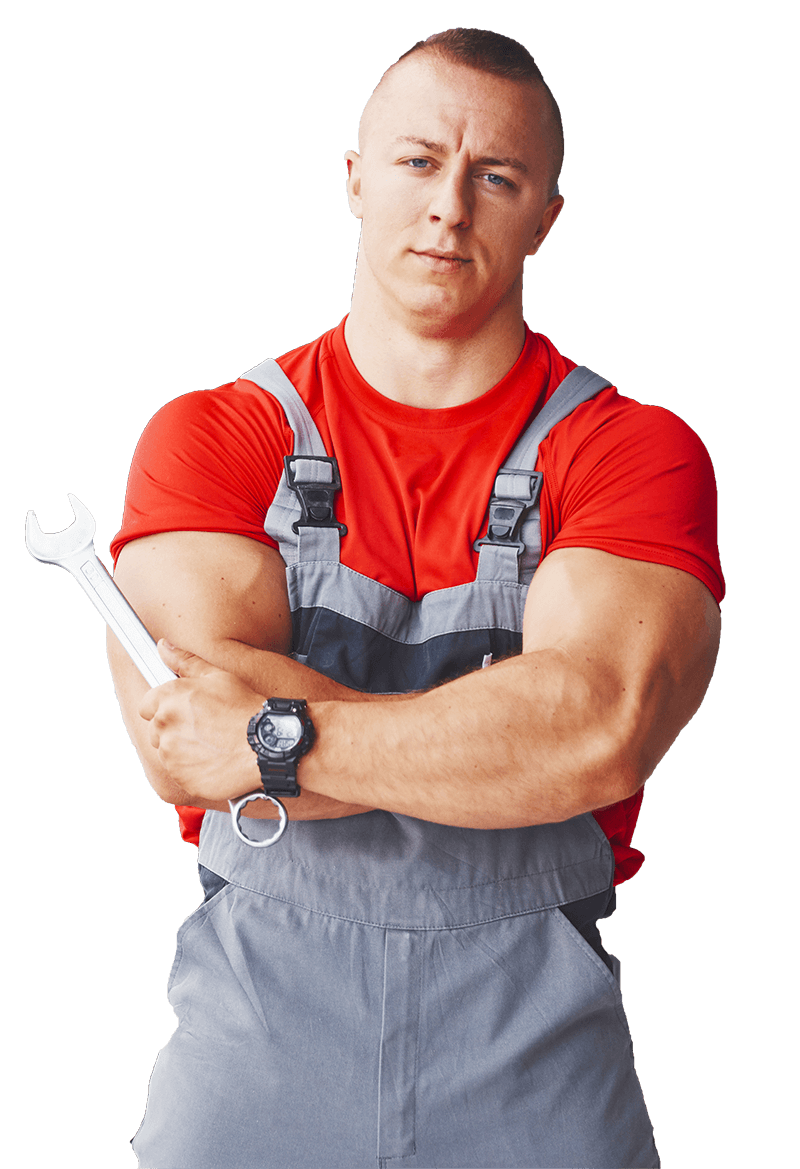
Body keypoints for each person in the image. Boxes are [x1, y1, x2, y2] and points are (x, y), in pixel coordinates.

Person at [109, 28, 722, 1169]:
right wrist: (501, 739)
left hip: (533, 1061)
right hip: (253, 1058)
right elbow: (183, 737)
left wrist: (273, 737)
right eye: (418, 161)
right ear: (354, 178)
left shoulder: (631, 450)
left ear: (544, 218)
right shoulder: (212, 436)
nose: (448, 206)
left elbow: (597, 729)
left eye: (497, 177)